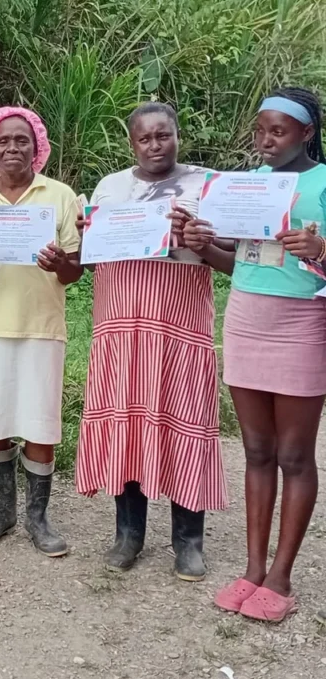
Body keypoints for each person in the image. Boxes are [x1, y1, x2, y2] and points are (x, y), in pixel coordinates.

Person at [74, 102, 230, 581]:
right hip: (122, 322)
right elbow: (92, 261)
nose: (155, 145)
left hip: (180, 321)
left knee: (184, 418)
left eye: (164, 135)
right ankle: (128, 534)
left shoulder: (209, 184)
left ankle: (188, 541)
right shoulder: (110, 188)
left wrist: (202, 241)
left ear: (179, 135)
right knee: (128, 420)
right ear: (131, 143)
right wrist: (88, 235)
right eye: (145, 138)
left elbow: (232, 258)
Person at [197, 88, 326, 623]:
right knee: (255, 449)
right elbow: (240, 262)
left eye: (278, 131)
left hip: (304, 321)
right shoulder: (244, 186)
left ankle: (281, 575)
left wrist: (321, 250)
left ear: (306, 133)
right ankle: (252, 568)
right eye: (260, 130)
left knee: (295, 455)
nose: (265, 140)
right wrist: (201, 241)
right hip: (247, 316)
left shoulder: (322, 183)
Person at [0, 106, 82, 557]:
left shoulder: (61, 196)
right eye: (3, 140)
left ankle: (38, 519)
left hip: (42, 326)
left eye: (21, 140)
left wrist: (59, 262)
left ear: (37, 147)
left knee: (40, 423)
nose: (12, 148)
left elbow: (73, 273)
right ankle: (1, 513)